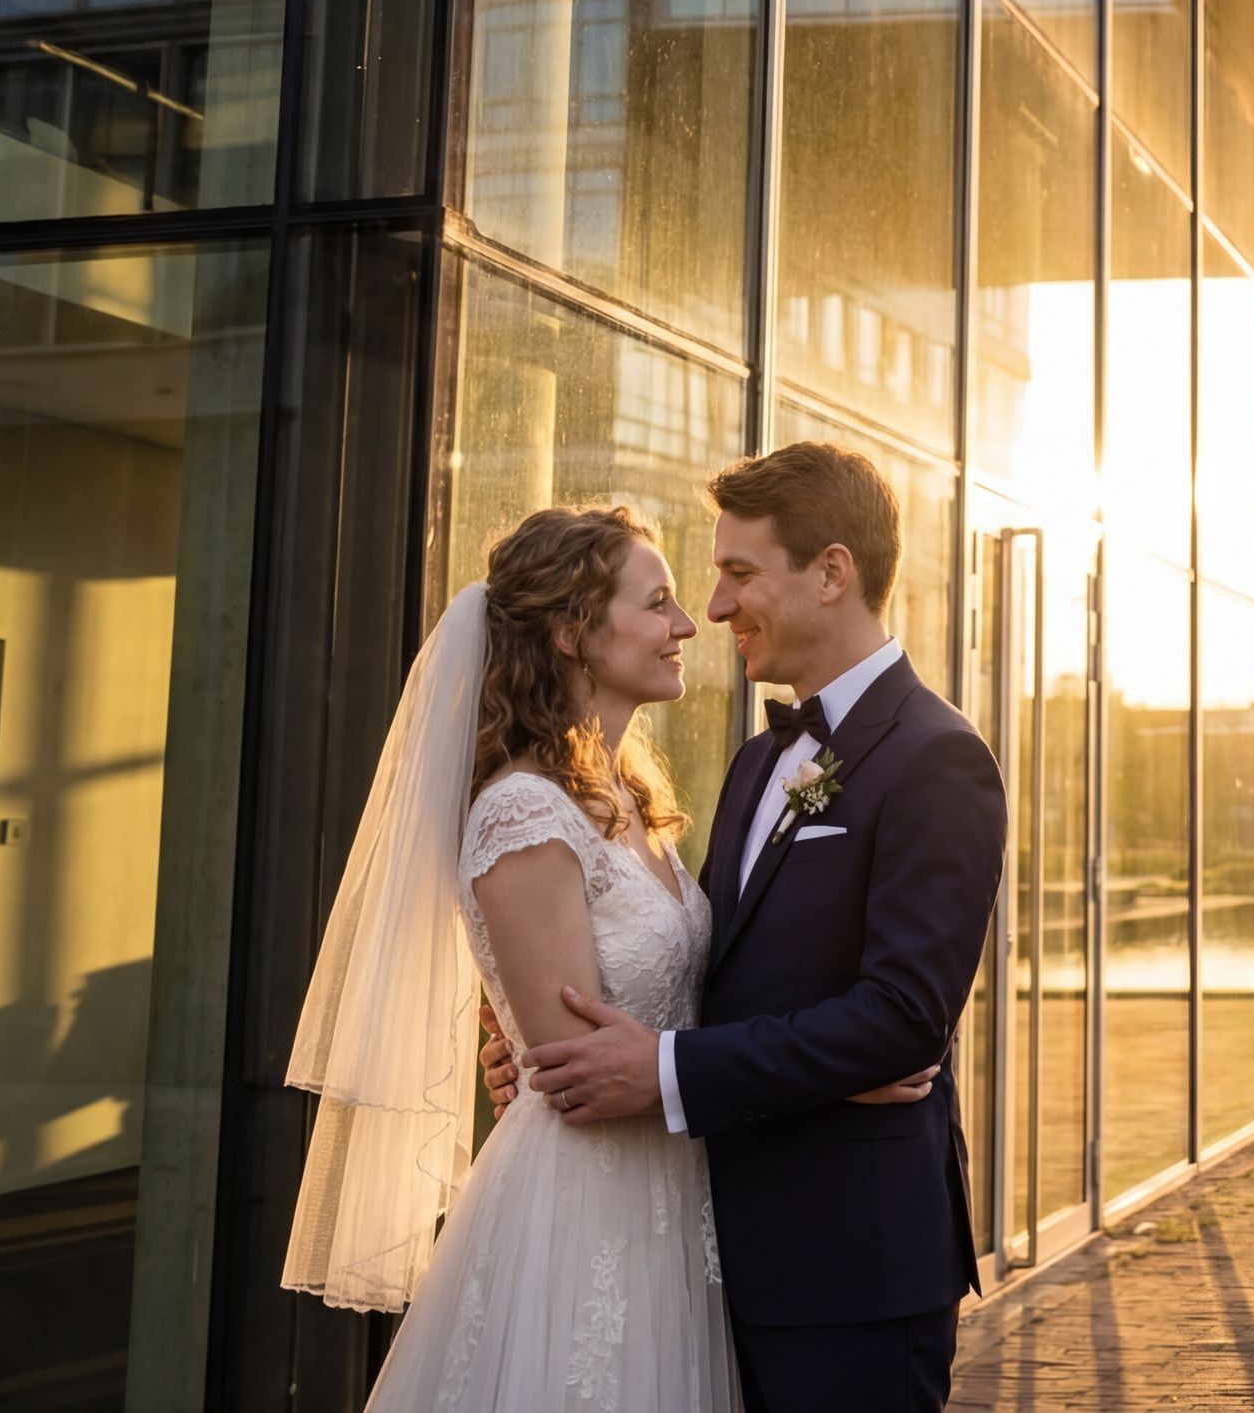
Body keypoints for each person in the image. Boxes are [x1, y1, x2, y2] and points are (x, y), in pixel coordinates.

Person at [280, 502, 937, 1410]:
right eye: (659, 601)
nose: (687, 623)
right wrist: (832, 1071)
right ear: (570, 632)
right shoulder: (522, 811)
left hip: (678, 1202)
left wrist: (843, 1061)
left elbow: (681, 1000)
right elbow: (582, 1074)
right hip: (588, 1213)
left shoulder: (627, 799)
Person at [510, 443, 1006, 1413]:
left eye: (740, 573)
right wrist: (536, 1046)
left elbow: (905, 1018)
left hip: (848, 1272)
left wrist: (662, 1072)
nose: (718, 605)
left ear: (831, 573)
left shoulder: (937, 760)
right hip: (703, 1257)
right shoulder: (754, 764)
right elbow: (701, 971)